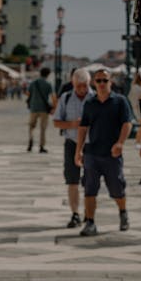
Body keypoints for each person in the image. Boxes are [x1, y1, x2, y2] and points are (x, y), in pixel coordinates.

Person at [75, 68, 132, 236]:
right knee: (89, 189)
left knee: (116, 188)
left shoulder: (120, 101)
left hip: (112, 154)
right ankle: (90, 223)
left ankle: (123, 213)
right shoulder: (89, 103)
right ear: (94, 83)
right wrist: (78, 151)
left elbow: (127, 123)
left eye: (104, 81)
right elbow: (83, 127)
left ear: (110, 82)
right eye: (98, 81)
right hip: (92, 153)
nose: (101, 84)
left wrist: (120, 143)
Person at [53, 68, 94, 228]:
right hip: (71, 143)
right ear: (73, 83)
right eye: (79, 86)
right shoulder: (66, 97)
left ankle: (89, 215)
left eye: (85, 86)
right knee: (72, 181)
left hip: (91, 144)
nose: (83, 90)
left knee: (91, 181)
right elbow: (56, 122)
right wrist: (74, 124)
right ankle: (75, 213)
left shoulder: (95, 97)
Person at [26, 67, 54, 153]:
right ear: (48, 74)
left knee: (31, 126)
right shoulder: (48, 84)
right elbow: (53, 97)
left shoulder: (33, 83)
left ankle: (31, 139)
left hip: (33, 107)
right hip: (44, 109)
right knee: (43, 128)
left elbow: (28, 93)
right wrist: (53, 108)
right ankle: (41, 146)